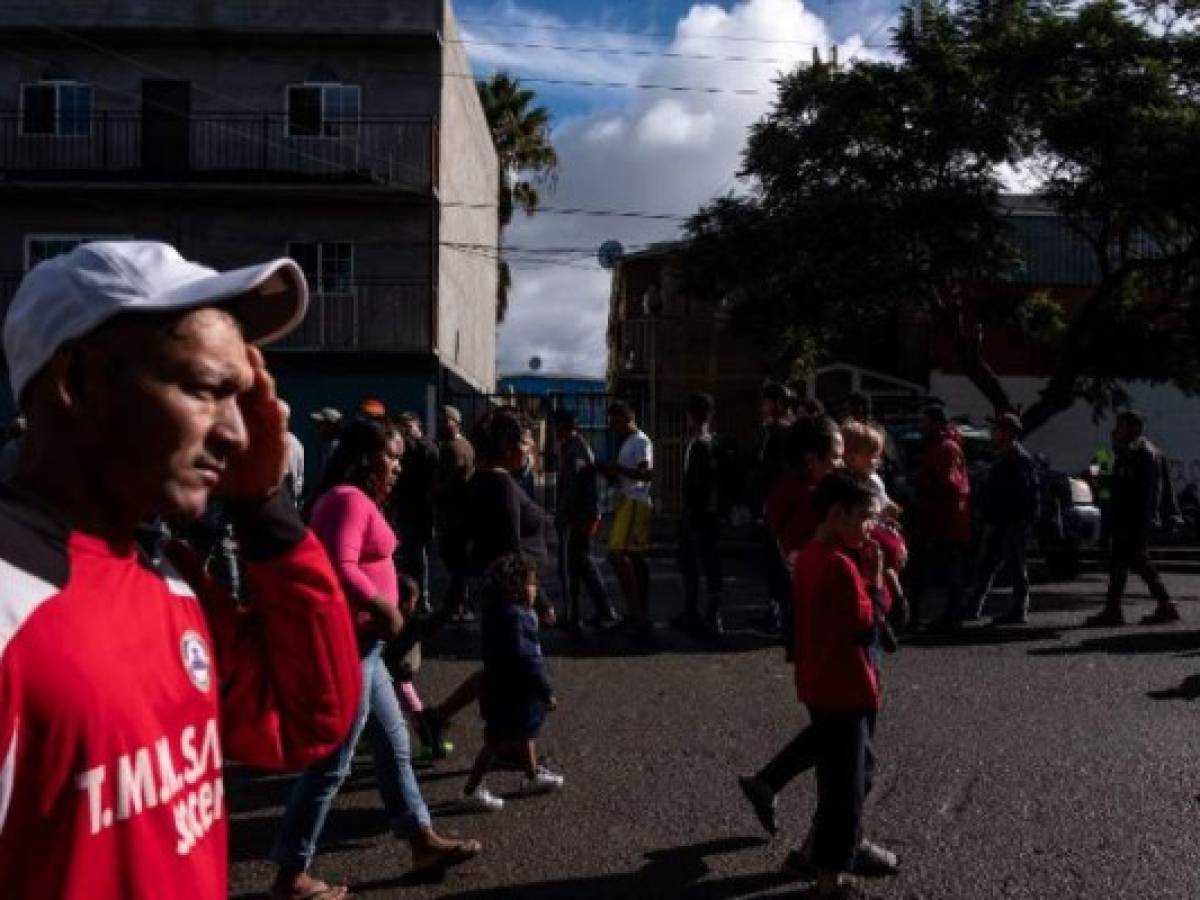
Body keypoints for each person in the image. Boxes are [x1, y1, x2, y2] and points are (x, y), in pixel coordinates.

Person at [0, 240, 363, 899]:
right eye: (203, 389)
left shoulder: (168, 572)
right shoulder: (12, 604)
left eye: (242, 398)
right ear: (76, 380)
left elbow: (307, 718)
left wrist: (264, 510)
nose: (238, 432)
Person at [270, 419, 480, 899]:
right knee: (332, 764)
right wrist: (381, 605)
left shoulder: (350, 500)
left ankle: (421, 839)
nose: (398, 468)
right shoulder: (348, 499)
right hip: (351, 647)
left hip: (366, 648)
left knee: (393, 746)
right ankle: (290, 874)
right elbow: (336, 565)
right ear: (366, 458)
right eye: (392, 457)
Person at [784, 472, 896, 896]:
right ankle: (829, 880)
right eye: (865, 518)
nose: (870, 528)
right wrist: (876, 581)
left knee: (851, 775)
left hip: (820, 681)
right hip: (844, 686)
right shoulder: (841, 565)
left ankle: (811, 852)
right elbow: (866, 624)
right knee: (845, 789)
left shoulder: (812, 555)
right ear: (837, 514)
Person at [459, 552, 565, 811]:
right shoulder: (517, 617)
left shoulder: (498, 611)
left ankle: (531, 775)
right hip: (515, 691)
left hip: (500, 686)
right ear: (516, 587)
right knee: (497, 740)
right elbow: (527, 659)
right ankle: (471, 790)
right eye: (532, 584)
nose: (535, 589)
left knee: (525, 734)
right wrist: (546, 691)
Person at [1085, 411, 1182, 627]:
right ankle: (1117, 609)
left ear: (1133, 429)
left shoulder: (1144, 453)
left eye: (1120, 426)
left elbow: (1150, 492)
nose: (1115, 431)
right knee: (1126, 563)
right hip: (1125, 519)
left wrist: (1147, 521)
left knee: (1133, 561)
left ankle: (1158, 605)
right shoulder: (1124, 453)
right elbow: (1107, 485)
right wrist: (1097, 476)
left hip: (1133, 520)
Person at [969, 413, 1039, 625]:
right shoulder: (1001, 456)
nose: (993, 433)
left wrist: (1021, 520)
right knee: (986, 565)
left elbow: (1025, 494)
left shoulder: (1019, 459)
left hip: (1011, 521)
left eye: (997, 429)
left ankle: (1019, 609)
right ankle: (972, 607)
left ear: (1009, 432)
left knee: (1015, 565)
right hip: (997, 519)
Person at [553, 408, 618, 632]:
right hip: (580, 515)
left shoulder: (576, 449)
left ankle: (573, 616)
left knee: (570, 568)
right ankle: (603, 610)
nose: (554, 430)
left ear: (566, 426)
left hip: (577, 517)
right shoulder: (571, 447)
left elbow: (575, 488)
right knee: (583, 564)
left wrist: (562, 516)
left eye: (557, 425)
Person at [911, 405, 971, 632]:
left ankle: (952, 615)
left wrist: (922, 483)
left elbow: (949, 484)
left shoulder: (944, 449)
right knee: (946, 569)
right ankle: (950, 613)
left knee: (942, 569)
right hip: (945, 519)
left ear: (936, 423)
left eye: (924, 421)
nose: (921, 426)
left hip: (945, 520)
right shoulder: (943, 447)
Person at [598, 401, 655, 637]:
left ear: (625, 418)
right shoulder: (630, 442)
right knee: (635, 558)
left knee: (616, 554)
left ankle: (635, 612)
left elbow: (646, 474)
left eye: (614, 421)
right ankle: (637, 613)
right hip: (629, 502)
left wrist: (617, 469)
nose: (612, 426)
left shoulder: (641, 441)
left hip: (635, 503)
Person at [674, 392, 726, 639]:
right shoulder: (712, 442)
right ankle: (697, 612)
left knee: (698, 564)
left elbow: (697, 486)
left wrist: (691, 516)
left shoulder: (698, 446)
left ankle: (707, 616)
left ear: (691, 416)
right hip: (708, 514)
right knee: (700, 563)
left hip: (698, 515)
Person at [755, 382, 795, 634]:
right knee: (775, 562)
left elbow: (772, 472)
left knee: (778, 561)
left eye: (767, 402)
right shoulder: (779, 431)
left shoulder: (780, 433)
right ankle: (776, 610)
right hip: (777, 502)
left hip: (777, 503)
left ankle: (780, 614)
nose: (763, 407)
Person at [392, 412, 439, 616]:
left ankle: (422, 596)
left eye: (408, 427)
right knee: (409, 554)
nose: (405, 431)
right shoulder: (408, 448)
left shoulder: (425, 448)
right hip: (407, 507)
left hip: (420, 510)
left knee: (418, 555)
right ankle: (412, 595)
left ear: (417, 426)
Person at [435, 404, 476, 617]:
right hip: (459, 513)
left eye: (445, 420)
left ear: (455, 423)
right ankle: (460, 602)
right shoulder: (464, 445)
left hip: (454, 515)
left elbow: (453, 483)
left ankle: (458, 603)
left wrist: (435, 493)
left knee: (456, 562)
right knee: (458, 561)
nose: (441, 424)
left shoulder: (454, 448)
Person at [309, 407, 343, 489]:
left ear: (332, 426)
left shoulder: (336, 449)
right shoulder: (325, 446)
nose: (317, 427)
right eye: (317, 423)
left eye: (321, 424)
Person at [280, 401, 305, 506]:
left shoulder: (279, 442)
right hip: (290, 505)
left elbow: (287, 476)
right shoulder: (297, 442)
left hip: (280, 504)